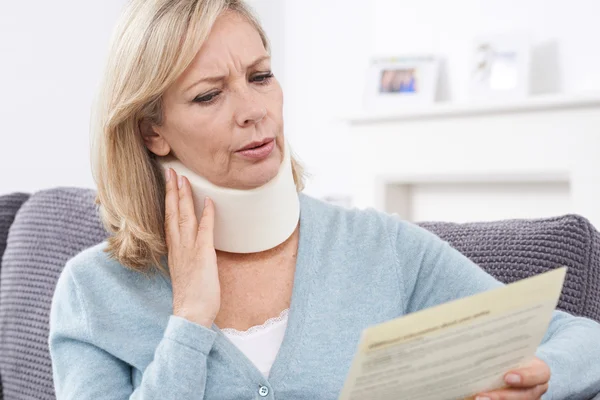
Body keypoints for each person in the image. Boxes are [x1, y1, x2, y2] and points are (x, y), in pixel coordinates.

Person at [48, 0, 600, 399]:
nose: (253, 109)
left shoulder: (379, 247)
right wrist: (190, 321)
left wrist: (539, 379)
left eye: (260, 76)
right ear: (153, 133)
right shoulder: (92, 292)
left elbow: (581, 339)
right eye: (209, 94)